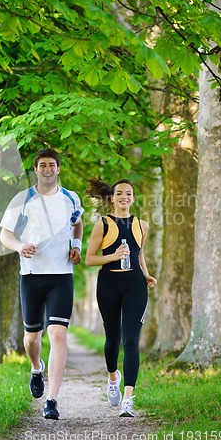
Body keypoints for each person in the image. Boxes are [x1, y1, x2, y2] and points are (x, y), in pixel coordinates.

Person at [0, 148, 83, 420]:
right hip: (32, 275)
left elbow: (77, 224)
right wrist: (20, 246)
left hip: (62, 275)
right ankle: (37, 368)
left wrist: (77, 246)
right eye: (42, 165)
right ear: (35, 169)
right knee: (32, 338)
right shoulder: (22, 199)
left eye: (52, 165)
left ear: (58, 169)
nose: (47, 169)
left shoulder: (71, 198)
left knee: (57, 334)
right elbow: (5, 234)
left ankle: (52, 400)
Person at [85, 177, 157, 417]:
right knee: (113, 339)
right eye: (119, 194)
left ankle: (128, 400)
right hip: (109, 284)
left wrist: (146, 275)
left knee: (130, 340)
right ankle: (113, 377)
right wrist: (113, 256)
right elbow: (90, 259)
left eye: (128, 193)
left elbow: (139, 254)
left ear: (133, 198)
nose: (124, 197)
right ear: (112, 198)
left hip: (135, 285)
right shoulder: (102, 224)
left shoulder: (142, 225)